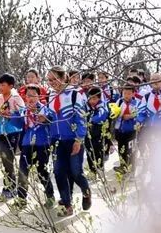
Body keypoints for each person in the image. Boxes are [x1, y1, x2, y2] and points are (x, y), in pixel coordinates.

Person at [46, 66, 92, 216]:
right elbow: (49, 116)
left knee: (76, 172)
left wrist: (79, 139)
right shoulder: (50, 96)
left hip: (73, 140)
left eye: (55, 79)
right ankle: (67, 203)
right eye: (49, 80)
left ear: (64, 77)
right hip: (56, 141)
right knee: (59, 172)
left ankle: (86, 192)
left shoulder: (74, 94)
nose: (52, 83)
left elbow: (81, 118)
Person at [16, 83, 55, 207]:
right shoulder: (23, 111)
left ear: (39, 96)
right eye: (28, 95)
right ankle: (22, 199)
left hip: (42, 144)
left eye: (34, 95)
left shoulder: (45, 109)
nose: (31, 98)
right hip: (27, 144)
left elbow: (53, 120)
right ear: (25, 97)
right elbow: (16, 123)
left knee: (42, 171)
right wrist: (7, 114)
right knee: (22, 171)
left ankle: (50, 197)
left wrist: (46, 119)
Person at [0, 73, 26, 200]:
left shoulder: (16, 98)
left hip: (13, 132)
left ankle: (9, 187)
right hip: (0, 132)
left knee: (8, 158)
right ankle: (10, 186)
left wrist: (11, 114)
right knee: (5, 159)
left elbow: (23, 114)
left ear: (10, 86)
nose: (0, 87)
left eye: (3, 85)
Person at [112, 84, 141, 174]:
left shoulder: (137, 103)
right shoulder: (119, 102)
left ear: (133, 94)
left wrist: (131, 116)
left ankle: (132, 171)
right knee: (122, 150)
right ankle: (123, 167)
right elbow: (113, 113)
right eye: (124, 93)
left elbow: (140, 114)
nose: (126, 95)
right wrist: (116, 114)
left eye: (129, 93)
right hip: (120, 130)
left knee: (131, 152)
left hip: (131, 131)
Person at [85, 86, 110, 174]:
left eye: (94, 98)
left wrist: (90, 119)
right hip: (88, 134)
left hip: (98, 133)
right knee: (89, 152)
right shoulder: (86, 105)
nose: (92, 101)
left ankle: (100, 168)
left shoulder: (102, 106)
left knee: (98, 151)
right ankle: (92, 171)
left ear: (99, 98)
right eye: (90, 98)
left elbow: (102, 116)